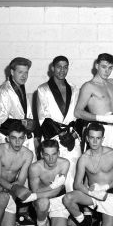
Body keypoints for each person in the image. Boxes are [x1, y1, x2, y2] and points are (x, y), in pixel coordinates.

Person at [62, 122, 113, 226]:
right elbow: (77, 184)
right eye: (92, 138)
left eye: (98, 138)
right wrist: (94, 193)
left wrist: (104, 187)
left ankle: (101, 220)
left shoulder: (112, 154)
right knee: (67, 198)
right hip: (92, 195)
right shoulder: (84, 158)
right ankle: (83, 222)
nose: (95, 142)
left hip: (108, 194)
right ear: (87, 138)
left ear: (102, 139)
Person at [36, 55, 81, 192]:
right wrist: (60, 134)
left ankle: (71, 209)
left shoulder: (74, 89)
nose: (62, 70)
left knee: (72, 175)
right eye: (59, 67)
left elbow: (79, 115)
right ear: (52, 68)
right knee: (54, 177)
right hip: (53, 136)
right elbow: (42, 118)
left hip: (72, 137)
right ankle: (55, 210)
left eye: (65, 67)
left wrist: (73, 136)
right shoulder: (42, 89)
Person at [74, 53, 113, 154]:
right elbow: (77, 112)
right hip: (97, 131)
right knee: (96, 166)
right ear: (97, 66)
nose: (107, 71)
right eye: (104, 67)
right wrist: (101, 118)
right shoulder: (88, 86)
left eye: (110, 68)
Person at [0, 57, 37, 156]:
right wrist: (23, 123)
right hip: (9, 142)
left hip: (23, 139)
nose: (24, 76)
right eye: (20, 72)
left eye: (26, 72)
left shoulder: (20, 88)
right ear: (12, 72)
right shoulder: (3, 91)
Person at [28, 140, 70, 226]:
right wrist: (53, 186)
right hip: (42, 200)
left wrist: (52, 187)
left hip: (58, 200)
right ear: (42, 154)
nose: (51, 159)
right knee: (43, 202)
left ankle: (54, 220)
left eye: (54, 154)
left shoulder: (64, 163)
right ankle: (41, 225)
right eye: (47, 155)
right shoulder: (35, 168)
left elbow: (57, 191)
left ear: (58, 153)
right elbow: (35, 192)